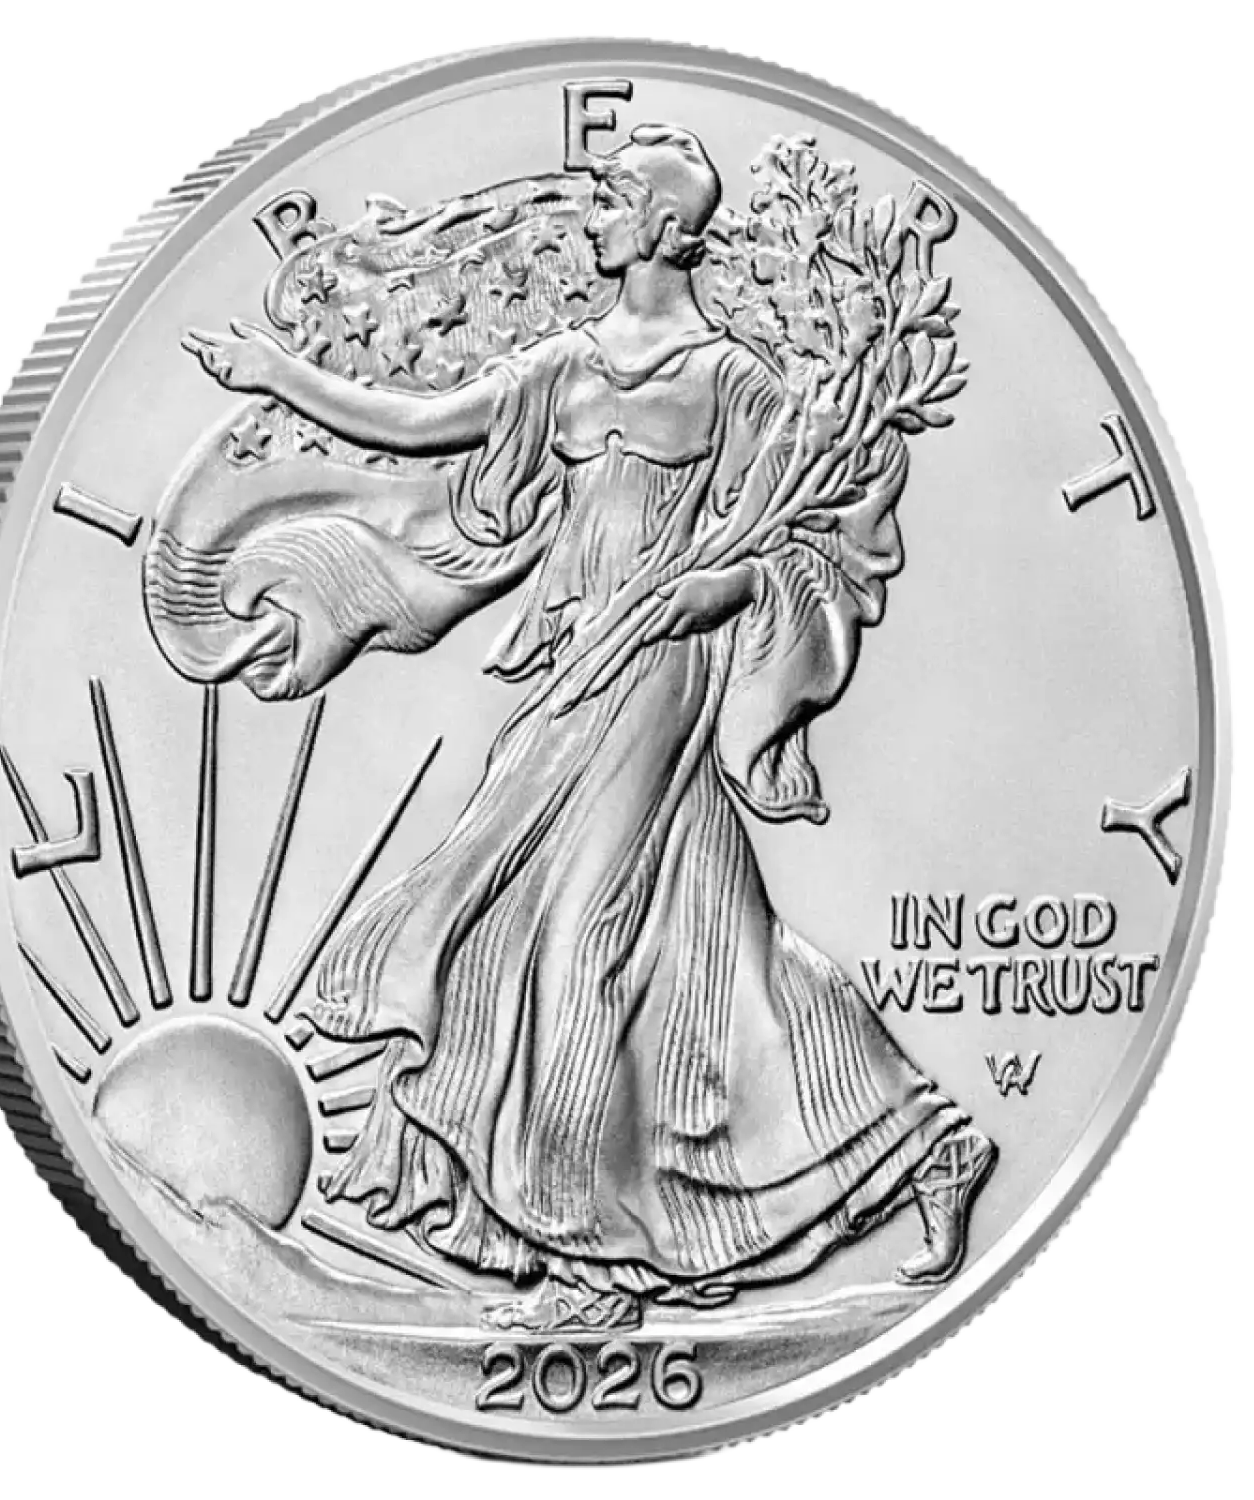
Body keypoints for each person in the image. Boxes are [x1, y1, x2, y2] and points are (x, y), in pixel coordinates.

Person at [183, 124, 995, 1334]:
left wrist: (722, 586)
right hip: (575, 668)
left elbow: (807, 539)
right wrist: (276, 376)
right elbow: (419, 422)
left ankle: (591, 1260)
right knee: (710, 943)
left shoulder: (733, 382)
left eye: (616, 199)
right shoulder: (564, 366)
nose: (596, 215)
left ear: (665, 229)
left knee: (576, 937)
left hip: (662, 669)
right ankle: (922, 1146)